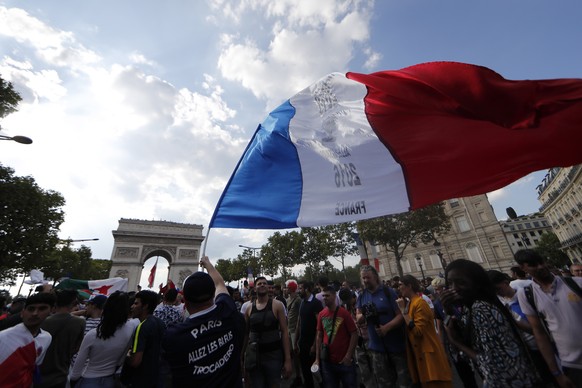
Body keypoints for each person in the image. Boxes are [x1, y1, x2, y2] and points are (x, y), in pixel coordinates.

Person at [441, 259, 541, 388]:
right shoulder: (473, 306)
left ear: (476, 283)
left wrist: (456, 342)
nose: (454, 289)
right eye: (450, 283)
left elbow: (490, 362)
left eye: (461, 282)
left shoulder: (482, 309)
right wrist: (449, 309)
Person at [162, 256, 246, 387]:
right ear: (213, 295)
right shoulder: (227, 311)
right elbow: (219, 284)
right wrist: (208, 264)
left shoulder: (173, 336)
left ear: (185, 301)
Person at [515, 249, 582, 387]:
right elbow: (539, 334)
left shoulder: (576, 283)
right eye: (533, 265)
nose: (540, 267)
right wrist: (557, 374)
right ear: (523, 268)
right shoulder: (526, 295)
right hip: (571, 365)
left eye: (541, 262)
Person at [356, 265, 411, 388]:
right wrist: (364, 315)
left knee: (404, 383)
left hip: (396, 347)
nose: (365, 280)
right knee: (384, 383)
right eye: (363, 278)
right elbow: (358, 317)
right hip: (376, 349)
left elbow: (401, 315)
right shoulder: (361, 295)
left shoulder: (388, 292)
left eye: (368, 277)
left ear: (375, 277)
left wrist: (387, 328)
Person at [70, 292, 139, 388]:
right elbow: (120, 361)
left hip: (88, 379)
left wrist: (73, 381)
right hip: (109, 380)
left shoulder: (93, 334)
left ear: (105, 309)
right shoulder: (131, 328)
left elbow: (77, 368)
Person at [396, 275, 452, 388]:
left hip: (429, 357)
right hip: (421, 356)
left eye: (400, 285)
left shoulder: (420, 303)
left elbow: (418, 331)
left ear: (409, 286)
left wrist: (403, 312)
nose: (399, 288)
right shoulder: (411, 303)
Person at [0, 293, 56, 387]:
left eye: (42, 309)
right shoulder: (3, 336)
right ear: (22, 313)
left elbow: (33, 367)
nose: (35, 313)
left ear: (51, 311)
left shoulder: (46, 338)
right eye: (31, 309)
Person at [245, 276, 292, 387]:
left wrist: (288, 360)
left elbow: (285, 332)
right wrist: (242, 358)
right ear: (255, 289)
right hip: (255, 358)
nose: (262, 285)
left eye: (264, 283)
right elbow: (246, 335)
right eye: (259, 283)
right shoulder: (248, 309)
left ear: (268, 287)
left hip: (274, 357)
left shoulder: (277, 306)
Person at [37, 289, 86, 388]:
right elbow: (77, 347)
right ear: (73, 303)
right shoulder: (79, 323)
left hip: (38, 373)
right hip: (60, 374)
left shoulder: (42, 321)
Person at [313, 286, 358, 388]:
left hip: (344, 362)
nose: (324, 298)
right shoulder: (321, 314)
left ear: (334, 296)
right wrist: (317, 359)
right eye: (323, 295)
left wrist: (348, 355)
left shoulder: (344, 313)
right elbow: (319, 336)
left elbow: (354, 334)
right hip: (327, 362)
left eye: (327, 295)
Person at [126, 289, 165, 388]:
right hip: (158, 378)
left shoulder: (141, 327)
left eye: (136, 303)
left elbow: (136, 362)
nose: (132, 306)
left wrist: (127, 356)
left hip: (141, 379)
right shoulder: (161, 323)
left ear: (145, 306)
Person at [295, 280, 323, 388]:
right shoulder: (302, 302)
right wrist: (296, 341)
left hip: (312, 343)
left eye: (300, 288)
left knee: (317, 371)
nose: (298, 291)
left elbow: (319, 326)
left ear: (306, 289)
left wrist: (315, 345)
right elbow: (299, 322)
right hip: (303, 343)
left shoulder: (316, 303)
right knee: (305, 370)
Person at [285, 280, 302, 388]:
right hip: (289, 329)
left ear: (290, 288)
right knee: (294, 355)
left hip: (295, 330)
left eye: (286, 287)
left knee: (298, 354)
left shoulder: (298, 300)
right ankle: (298, 376)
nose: (284, 289)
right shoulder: (288, 300)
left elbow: (300, 317)